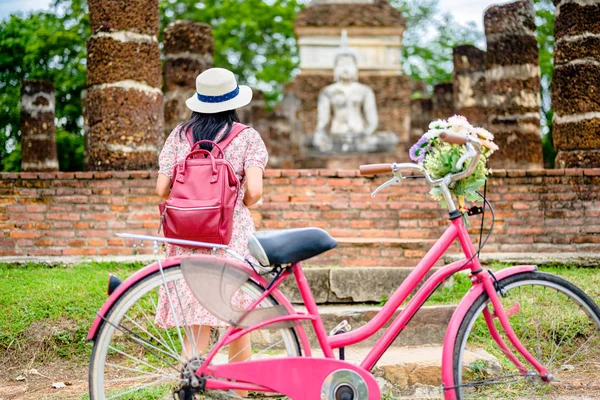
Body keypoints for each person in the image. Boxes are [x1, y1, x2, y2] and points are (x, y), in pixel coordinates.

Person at [154, 68, 268, 390]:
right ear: (233, 101)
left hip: (187, 237)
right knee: (237, 321)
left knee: (195, 328)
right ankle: (238, 392)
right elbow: (255, 194)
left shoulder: (178, 136)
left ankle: (188, 390)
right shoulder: (247, 137)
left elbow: (161, 190)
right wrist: (235, 198)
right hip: (231, 236)